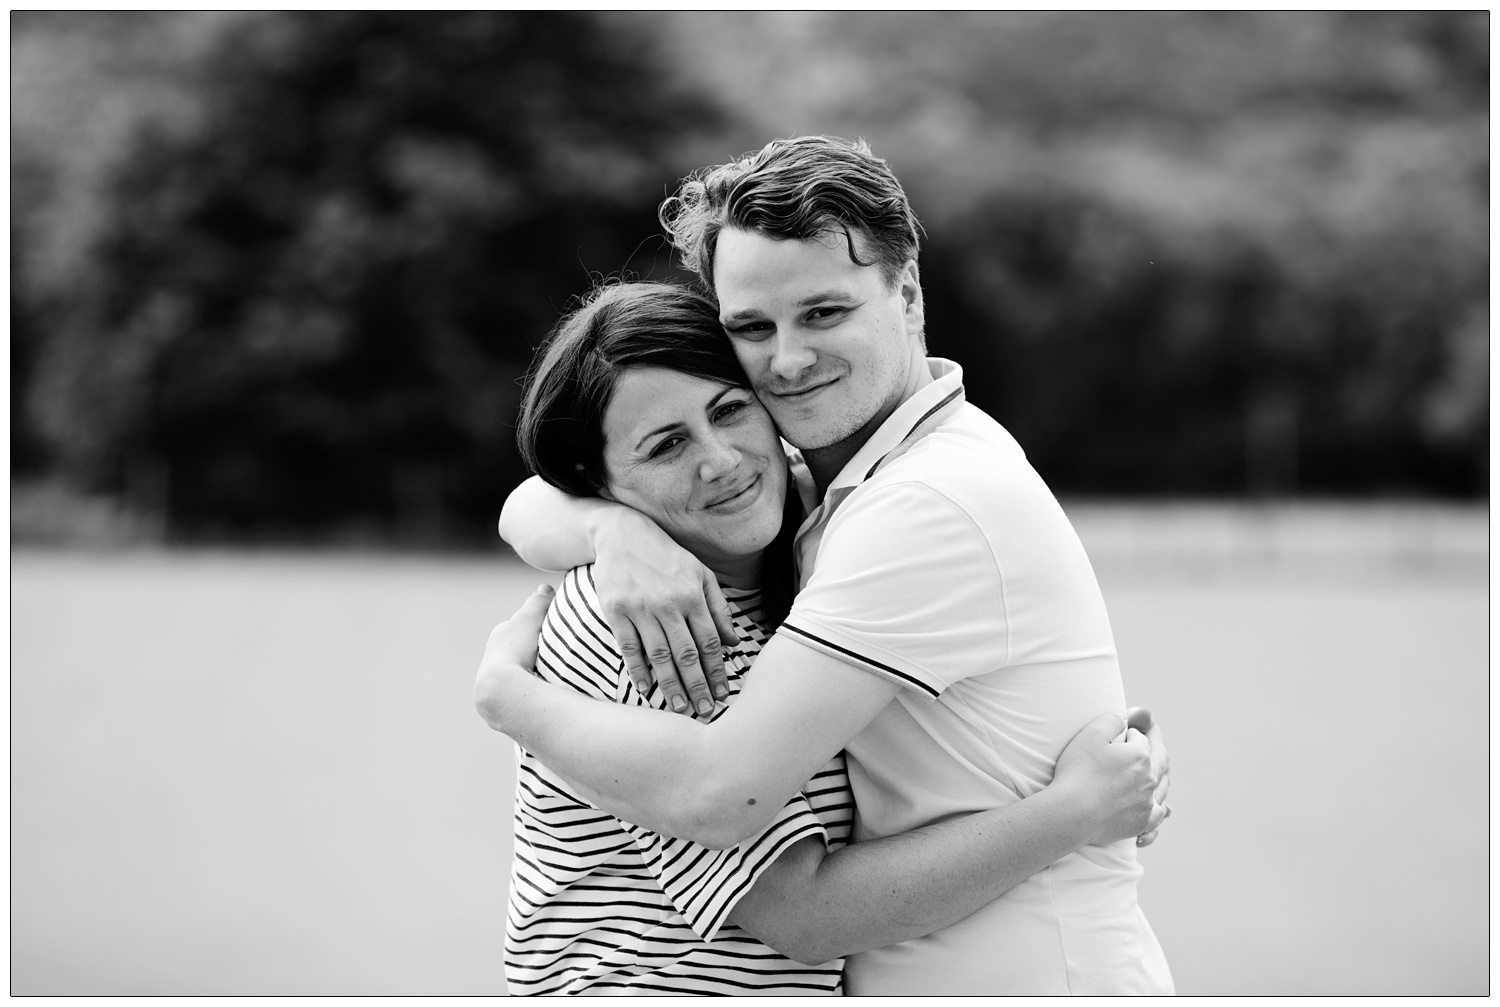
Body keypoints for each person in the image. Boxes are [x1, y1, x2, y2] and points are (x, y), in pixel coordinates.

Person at [480, 136, 1175, 994]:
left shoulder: (920, 502)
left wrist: (512, 701)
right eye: (751, 328)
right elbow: (535, 499)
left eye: (823, 313)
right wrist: (613, 531)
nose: (788, 360)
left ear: (908, 291)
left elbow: (724, 794)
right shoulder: (835, 488)